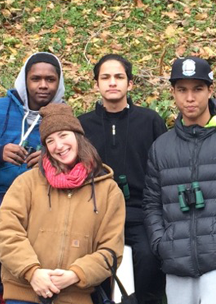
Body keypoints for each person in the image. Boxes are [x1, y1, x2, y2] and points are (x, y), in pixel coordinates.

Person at [143, 56, 216, 304]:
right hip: (176, 262)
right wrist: (161, 242)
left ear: (210, 90)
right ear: (173, 93)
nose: (189, 98)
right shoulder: (160, 147)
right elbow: (152, 203)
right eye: (182, 90)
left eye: (197, 89)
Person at [0, 103, 125, 304]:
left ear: (78, 137)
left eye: (63, 135)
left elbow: (111, 250)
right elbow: (6, 233)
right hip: (24, 293)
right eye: (50, 141)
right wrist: (32, 272)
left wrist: (75, 274)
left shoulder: (108, 191)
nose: (58, 146)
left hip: (75, 296)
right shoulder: (26, 183)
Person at [0, 52, 66, 303]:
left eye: (50, 79)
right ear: (24, 80)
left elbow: (79, 159)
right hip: (3, 193)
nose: (43, 85)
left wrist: (50, 160)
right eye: (36, 79)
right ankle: (3, 292)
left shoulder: (62, 115)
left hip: (50, 193)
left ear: (58, 82)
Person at [76, 54, 169, 303]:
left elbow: (165, 168)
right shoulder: (82, 126)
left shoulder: (150, 121)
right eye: (105, 77)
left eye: (119, 77)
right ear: (96, 84)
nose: (112, 82)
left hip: (142, 210)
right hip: (97, 212)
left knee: (151, 257)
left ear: (130, 84)